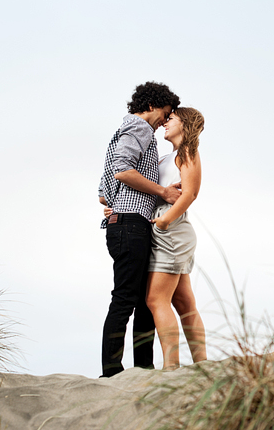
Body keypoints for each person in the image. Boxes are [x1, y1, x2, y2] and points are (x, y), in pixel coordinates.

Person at [104, 107, 207, 370]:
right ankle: (203, 365)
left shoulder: (188, 153)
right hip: (163, 226)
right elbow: (152, 192)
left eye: (171, 119)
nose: (165, 124)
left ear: (184, 123)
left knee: (154, 299)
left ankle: (171, 367)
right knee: (183, 301)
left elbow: (190, 193)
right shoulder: (167, 157)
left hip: (170, 229)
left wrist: (164, 220)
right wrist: (117, 207)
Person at [98, 81, 181, 378]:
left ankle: (141, 369)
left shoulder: (121, 131)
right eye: (165, 113)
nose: (163, 122)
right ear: (151, 105)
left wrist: (115, 203)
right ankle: (112, 373)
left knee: (143, 302)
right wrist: (163, 192)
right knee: (126, 299)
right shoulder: (140, 128)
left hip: (126, 222)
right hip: (131, 224)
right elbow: (123, 169)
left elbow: (103, 192)